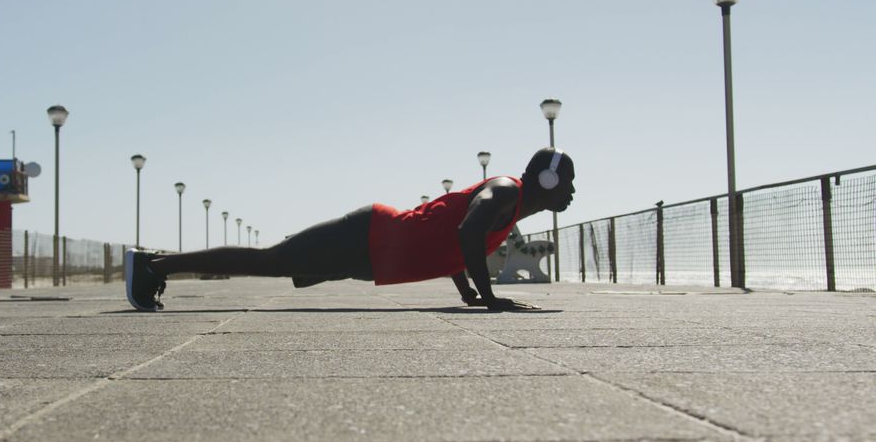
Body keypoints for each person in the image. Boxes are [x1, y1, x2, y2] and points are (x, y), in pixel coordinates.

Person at [126, 147, 575, 312]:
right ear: (548, 180)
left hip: (374, 254)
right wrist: (491, 297)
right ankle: (156, 266)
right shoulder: (504, 190)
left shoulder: (509, 208)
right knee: (269, 261)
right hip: (371, 235)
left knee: (280, 266)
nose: (571, 192)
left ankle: (158, 263)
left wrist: (467, 292)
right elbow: (466, 229)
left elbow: (455, 239)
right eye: (567, 182)